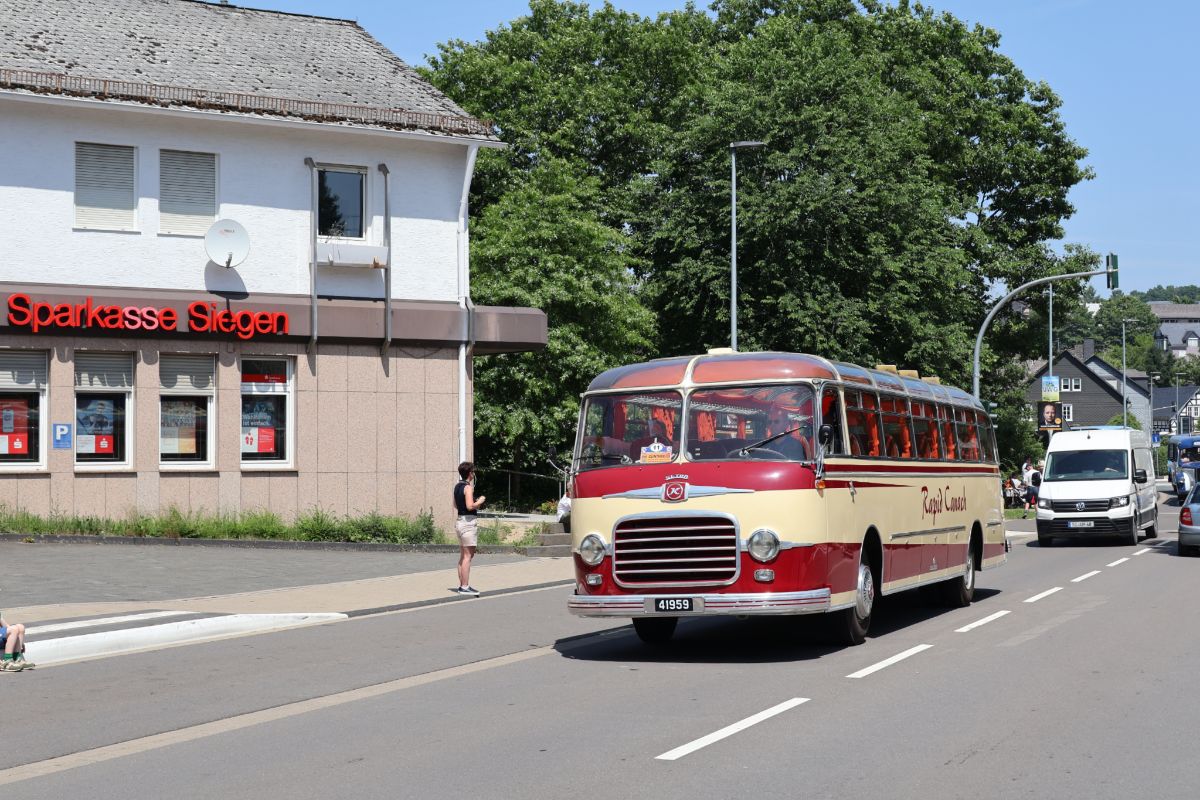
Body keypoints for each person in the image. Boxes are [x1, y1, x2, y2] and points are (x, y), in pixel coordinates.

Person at [452, 462, 486, 597]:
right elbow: (470, 506)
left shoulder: (457, 486)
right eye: (473, 471)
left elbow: (455, 504)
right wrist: (481, 501)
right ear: (470, 473)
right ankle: (464, 587)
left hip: (460, 521)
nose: (474, 474)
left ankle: (462, 584)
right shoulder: (468, 487)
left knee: (463, 556)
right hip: (468, 523)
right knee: (468, 556)